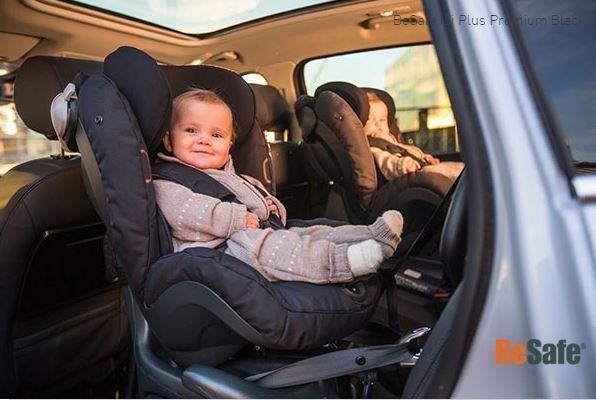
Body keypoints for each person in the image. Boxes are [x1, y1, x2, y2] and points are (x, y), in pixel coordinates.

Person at [153, 88, 404, 284]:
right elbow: (187, 212)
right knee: (269, 247)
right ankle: (343, 262)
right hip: (216, 255)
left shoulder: (238, 178)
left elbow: (262, 203)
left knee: (309, 232)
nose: (204, 140)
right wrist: (236, 219)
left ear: (230, 143)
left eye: (216, 135)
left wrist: (272, 208)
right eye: (191, 130)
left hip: (250, 234)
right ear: (168, 138)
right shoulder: (167, 181)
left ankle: (371, 236)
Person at [363, 92, 462, 181]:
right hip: (410, 174)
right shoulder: (372, 147)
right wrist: (405, 165)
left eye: (382, 120)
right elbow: (386, 162)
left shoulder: (390, 139)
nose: (378, 124)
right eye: (370, 120)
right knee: (456, 172)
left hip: (419, 167)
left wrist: (424, 157)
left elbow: (407, 150)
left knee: (460, 169)